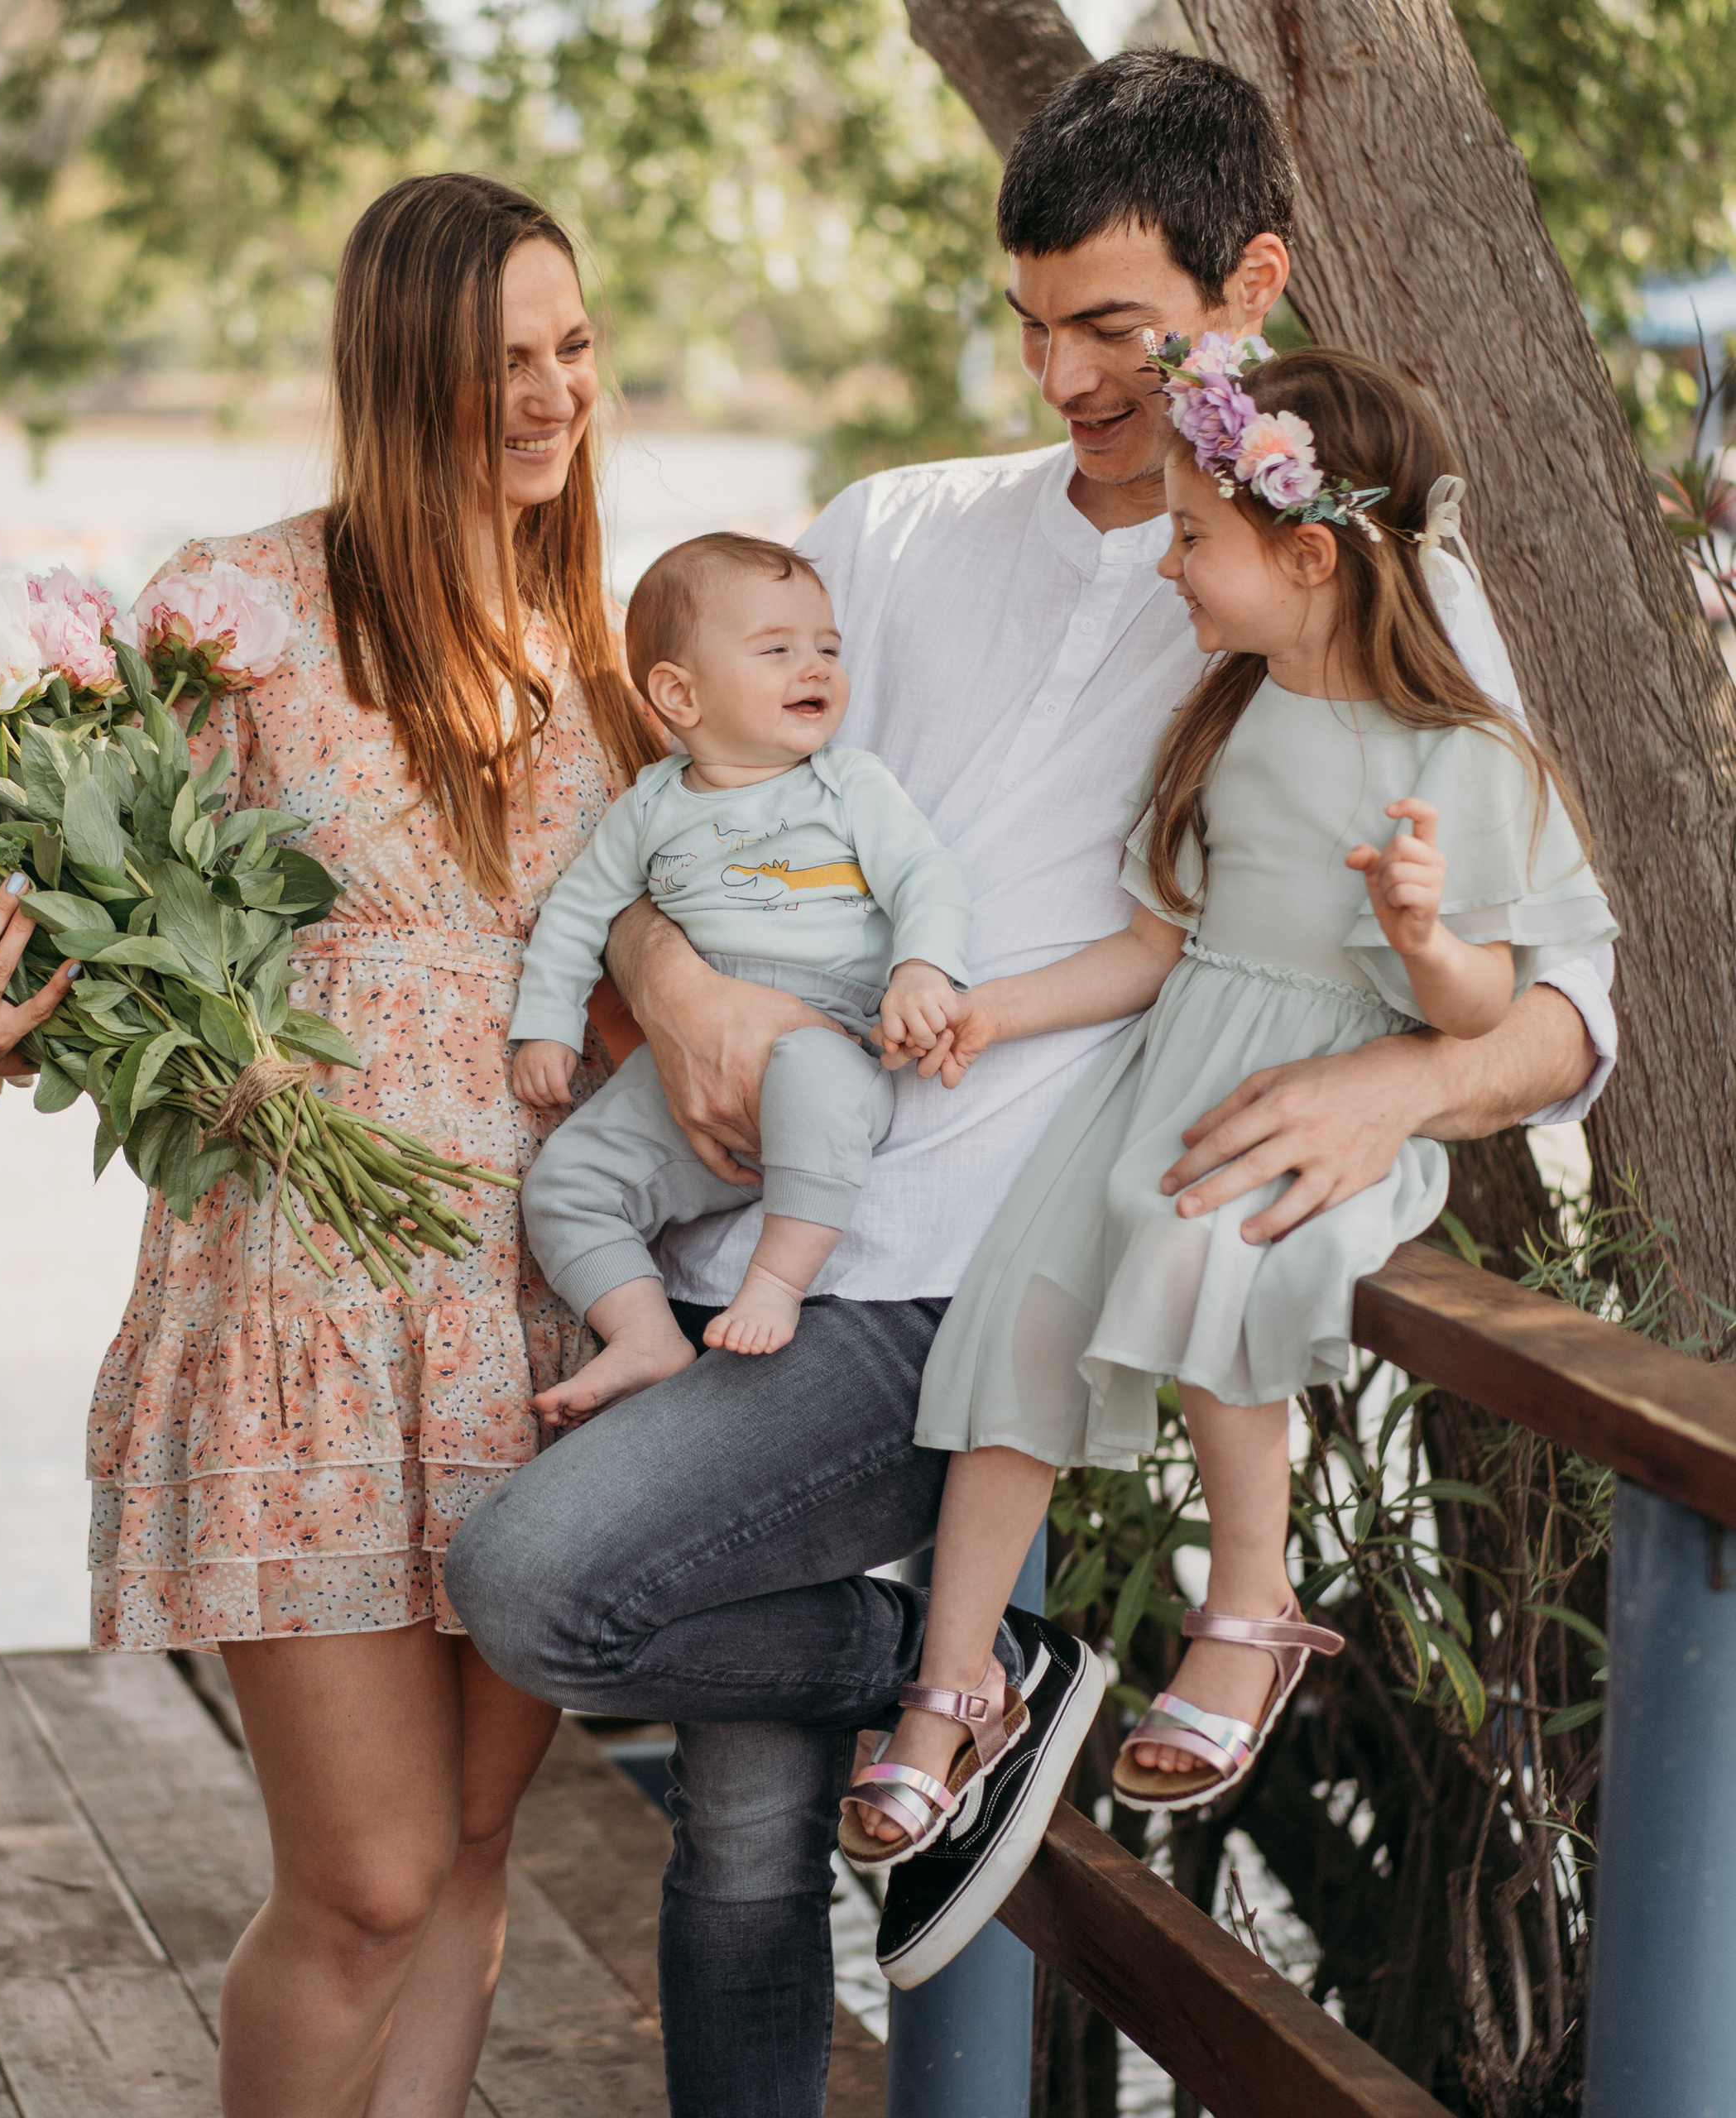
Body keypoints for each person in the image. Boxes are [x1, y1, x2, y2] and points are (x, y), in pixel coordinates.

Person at [444, 50, 1617, 2117]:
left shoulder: (1331, 576)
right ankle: (954, 1676)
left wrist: (1382, 1091)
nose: (1065, 376)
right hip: (738, 1226)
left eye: (1114, 328)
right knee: (736, 1843)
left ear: (1249, 283)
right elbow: (651, 815)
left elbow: (1563, 1005)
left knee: (544, 1584)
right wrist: (670, 980)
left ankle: (985, 1666)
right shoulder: (891, 529)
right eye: (1030, 323)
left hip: (955, 1280)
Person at [0, 174, 662, 2118]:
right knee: (365, 1877)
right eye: (498, 361)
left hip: (536, 1320)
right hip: (299, 1304)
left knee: (470, 1849)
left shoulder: (605, 660)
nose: (549, 395)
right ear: (395, 375)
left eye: (571, 348)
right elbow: (60, 927)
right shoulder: (238, 613)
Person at [839, 339, 1614, 1978]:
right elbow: (1151, 946)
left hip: (1309, 1092)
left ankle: (1250, 1607)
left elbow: (1485, 1005)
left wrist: (1424, 937)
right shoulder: (1228, 715)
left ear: (1309, 555)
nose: (1168, 563)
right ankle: (956, 1682)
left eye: (1193, 535)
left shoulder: (1458, 761)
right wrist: (990, 1008)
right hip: (1169, 1068)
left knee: (1205, 1247)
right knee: (1017, 1317)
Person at [510, 532, 970, 1411]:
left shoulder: (847, 783)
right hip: (685, 1062)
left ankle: (776, 1283)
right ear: (679, 693)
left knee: (811, 1072)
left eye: (827, 647)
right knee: (563, 1184)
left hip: (830, 1037)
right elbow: (575, 914)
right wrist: (547, 1024)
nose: (816, 666)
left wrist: (921, 970)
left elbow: (925, 876)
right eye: (777, 649)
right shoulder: (647, 806)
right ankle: (642, 1334)